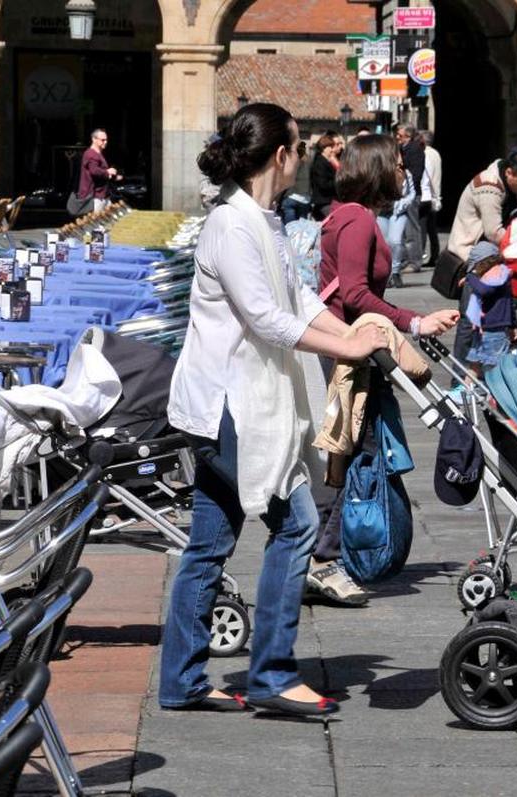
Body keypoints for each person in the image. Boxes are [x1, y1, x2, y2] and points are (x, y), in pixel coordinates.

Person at [161, 103, 390, 716]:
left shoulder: (260, 219)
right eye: (298, 146)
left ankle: (182, 680)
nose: (306, 157)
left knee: (210, 542)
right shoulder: (233, 225)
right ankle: (270, 673)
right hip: (228, 404)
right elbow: (266, 317)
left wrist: (364, 332)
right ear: (282, 155)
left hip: (234, 403)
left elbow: (300, 296)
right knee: (297, 527)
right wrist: (346, 344)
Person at [308, 134, 459, 605]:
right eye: (396, 163)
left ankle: (323, 554)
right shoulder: (356, 220)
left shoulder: (351, 215)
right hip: (350, 351)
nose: (403, 170)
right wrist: (414, 322)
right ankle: (323, 560)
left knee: (350, 448)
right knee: (352, 451)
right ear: (375, 168)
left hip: (348, 347)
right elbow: (353, 294)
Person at [447, 151, 517, 362]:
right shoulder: (489, 186)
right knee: (469, 318)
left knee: (492, 316)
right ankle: (459, 379)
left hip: (494, 258)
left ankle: (484, 368)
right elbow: (494, 231)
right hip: (473, 256)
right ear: (509, 172)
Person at [463, 241, 517, 377]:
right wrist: (513, 325)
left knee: (492, 368)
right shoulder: (498, 274)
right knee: (474, 364)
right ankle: (466, 391)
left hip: (495, 330)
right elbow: (511, 304)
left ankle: (493, 395)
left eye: (476, 267)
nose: (475, 271)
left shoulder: (499, 274)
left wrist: (470, 277)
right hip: (484, 330)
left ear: (483, 263)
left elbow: (484, 291)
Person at [377, 167, 416, 288]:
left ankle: (395, 271)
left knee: (396, 241)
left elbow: (412, 193)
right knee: (385, 244)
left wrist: (401, 204)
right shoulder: (378, 170)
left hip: (398, 211)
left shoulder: (406, 173)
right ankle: (386, 274)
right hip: (381, 212)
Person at [395, 125, 426, 273]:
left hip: (412, 194)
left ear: (407, 136)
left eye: (399, 135)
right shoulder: (403, 149)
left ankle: (414, 262)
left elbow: (415, 173)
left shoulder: (415, 150)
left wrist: (404, 181)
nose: (397, 138)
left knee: (412, 228)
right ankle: (405, 259)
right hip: (403, 194)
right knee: (403, 229)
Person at [78, 128, 122, 212]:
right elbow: (94, 171)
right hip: (95, 198)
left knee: (108, 222)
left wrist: (114, 176)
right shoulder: (91, 154)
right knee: (95, 224)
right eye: (102, 140)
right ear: (94, 139)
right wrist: (108, 172)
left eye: (106, 140)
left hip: (103, 196)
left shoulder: (98, 154)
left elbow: (100, 173)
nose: (105, 142)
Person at [419, 130, 442, 268]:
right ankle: (435, 255)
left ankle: (421, 254)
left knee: (422, 227)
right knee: (432, 229)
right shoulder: (436, 154)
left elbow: (429, 177)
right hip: (434, 195)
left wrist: (434, 196)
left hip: (427, 194)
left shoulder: (425, 154)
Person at [309, 132, 340, 219]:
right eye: (330, 147)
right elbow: (323, 184)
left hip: (329, 201)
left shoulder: (326, 161)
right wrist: (338, 181)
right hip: (324, 202)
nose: (332, 149)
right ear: (324, 148)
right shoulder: (320, 162)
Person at [280, 139, 311, 224]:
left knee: (289, 228)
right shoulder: (309, 161)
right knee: (302, 229)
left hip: (291, 196)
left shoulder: (291, 161)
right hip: (305, 198)